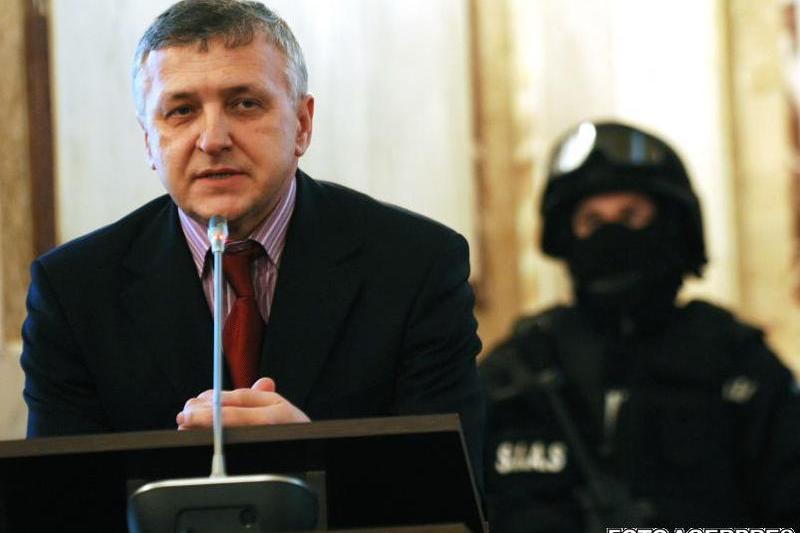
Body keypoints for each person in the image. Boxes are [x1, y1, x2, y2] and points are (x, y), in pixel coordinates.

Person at [20, 0, 484, 477]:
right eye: (181, 111)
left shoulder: (417, 266)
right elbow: (59, 499)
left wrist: (314, 457)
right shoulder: (73, 291)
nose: (213, 139)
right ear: (149, 143)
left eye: (244, 104)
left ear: (302, 124)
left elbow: (452, 487)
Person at [480, 121, 800, 530]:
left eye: (631, 216)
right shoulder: (518, 370)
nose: (612, 237)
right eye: (592, 222)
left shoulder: (738, 366)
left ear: (672, 228)